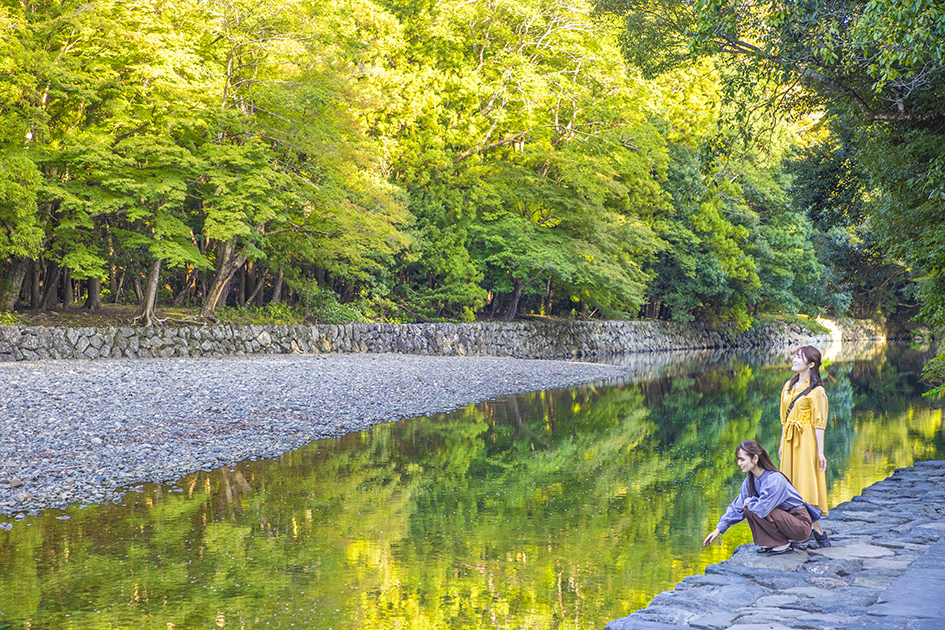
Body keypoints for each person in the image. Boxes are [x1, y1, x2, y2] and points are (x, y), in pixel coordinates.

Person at [703, 440, 821, 555]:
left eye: (742, 459)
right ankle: (772, 542)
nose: (739, 463)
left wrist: (749, 501)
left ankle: (782, 544)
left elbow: (763, 509)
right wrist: (718, 529)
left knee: (753, 507)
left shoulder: (774, 479)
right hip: (784, 520)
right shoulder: (749, 481)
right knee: (748, 508)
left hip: (799, 524)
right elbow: (737, 506)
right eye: (738, 460)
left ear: (755, 458)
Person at [778, 345, 831, 548]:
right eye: (794, 355)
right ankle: (816, 533)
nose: (794, 359)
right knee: (790, 485)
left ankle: (810, 532)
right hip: (790, 440)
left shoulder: (817, 391)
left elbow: (819, 423)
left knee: (805, 485)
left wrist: (820, 452)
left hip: (806, 441)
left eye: (799, 357)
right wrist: (782, 443)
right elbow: (784, 419)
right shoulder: (788, 386)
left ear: (811, 364)